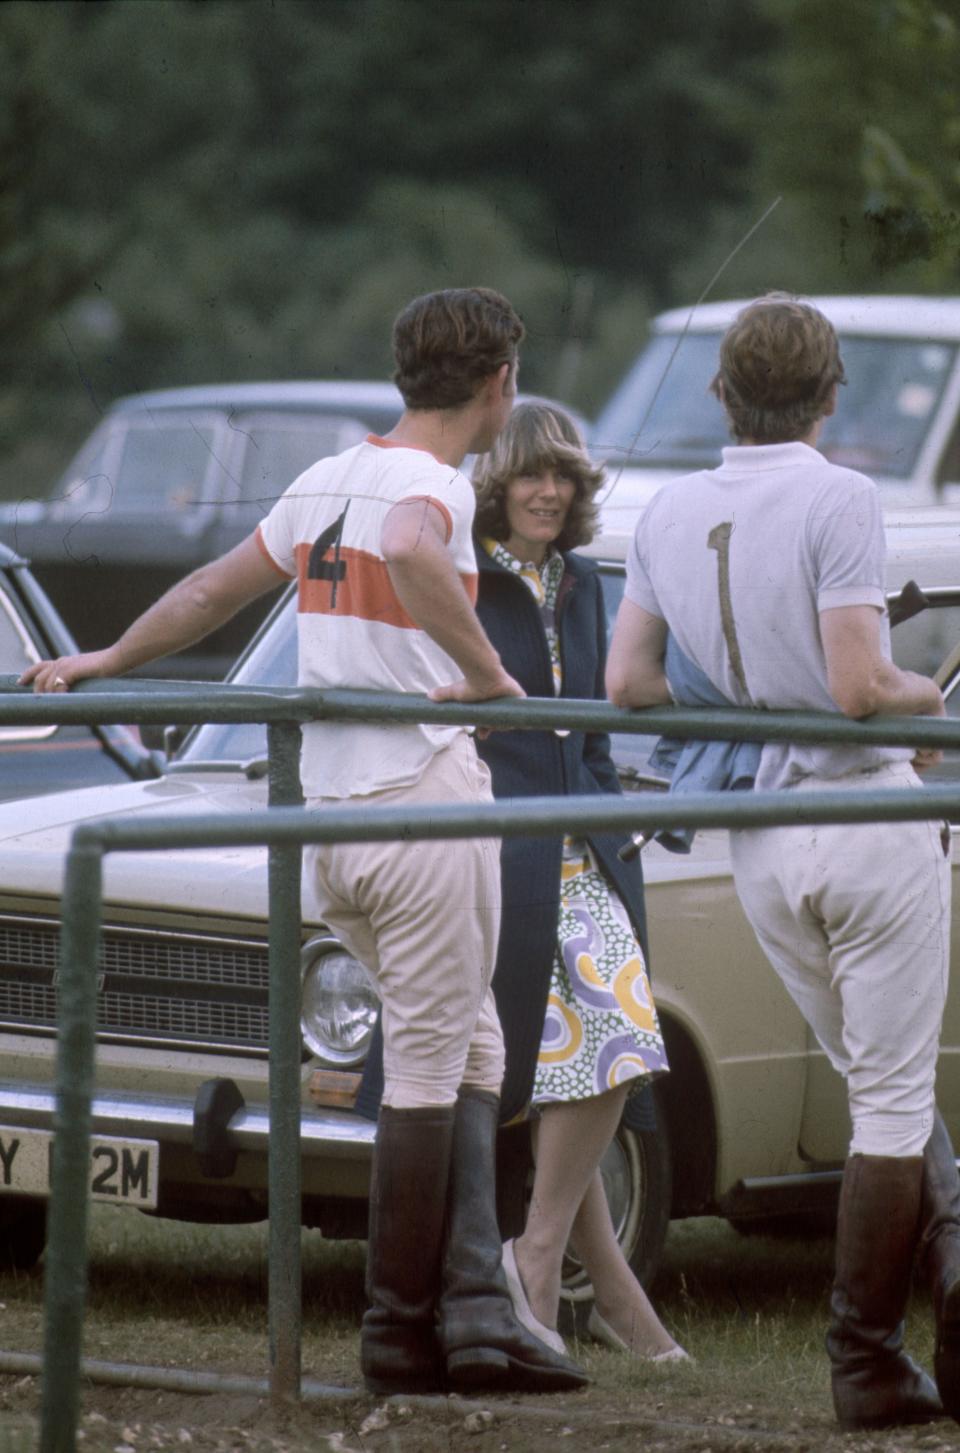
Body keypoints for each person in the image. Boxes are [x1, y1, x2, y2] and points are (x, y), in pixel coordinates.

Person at [21, 287, 587, 1398]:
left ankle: (476, 1316)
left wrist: (105, 658)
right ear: (497, 384)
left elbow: (207, 590)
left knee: (470, 1046)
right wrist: (487, 675)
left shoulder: (329, 475)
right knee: (432, 1064)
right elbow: (421, 553)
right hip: (419, 802)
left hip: (333, 819)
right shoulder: (429, 486)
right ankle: (396, 1331)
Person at [605, 292, 960, 1429]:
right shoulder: (841, 495)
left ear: (722, 391)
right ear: (831, 392)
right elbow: (861, 685)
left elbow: (631, 685)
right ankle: (864, 1356)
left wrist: (749, 686)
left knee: (875, 1080)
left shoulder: (665, 509)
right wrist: (927, 695)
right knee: (895, 1104)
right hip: (862, 814)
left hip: (762, 834)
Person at [451, 401, 686, 1361]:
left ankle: (553, 1270)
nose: (549, 492)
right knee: (603, 1046)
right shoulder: (465, 582)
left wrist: (615, 838)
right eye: (531, 475)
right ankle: (551, 1264)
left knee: (601, 1049)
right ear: (497, 483)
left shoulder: (587, 584)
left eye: (564, 477)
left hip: (585, 843)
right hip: (501, 847)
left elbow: (591, 736)